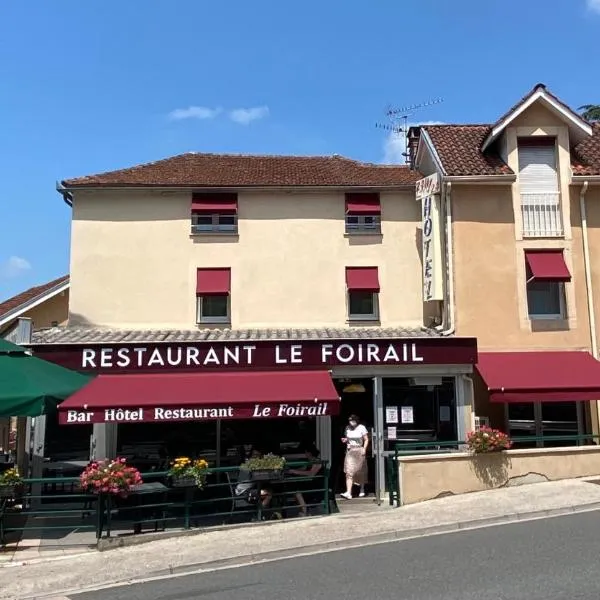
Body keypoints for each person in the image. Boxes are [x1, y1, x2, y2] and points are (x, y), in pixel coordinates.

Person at [287, 444, 323, 516]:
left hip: (316, 485)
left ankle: (304, 511)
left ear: (309, 453)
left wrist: (295, 471)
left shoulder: (317, 461)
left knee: (296, 489)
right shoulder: (310, 461)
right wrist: (291, 470)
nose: (305, 454)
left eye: (306, 452)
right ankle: (303, 508)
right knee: (292, 486)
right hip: (309, 482)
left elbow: (311, 473)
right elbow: (302, 469)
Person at [235, 447, 273, 511]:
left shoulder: (255, 464)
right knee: (268, 494)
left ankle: (263, 513)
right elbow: (259, 476)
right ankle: (260, 515)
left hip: (251, 488)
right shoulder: (250, 464)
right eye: (254, 455)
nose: (256, 457)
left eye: (258, 455)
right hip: (244, 491)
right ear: (251, 455)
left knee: (270, 489)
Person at [340, 414, 369, 499]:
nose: (351, 422)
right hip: (350, 451)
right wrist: (345, 440)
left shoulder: (362, 427)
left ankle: (362, 489)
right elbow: (347, 439)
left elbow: (366, 439)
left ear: (357, 421)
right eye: (350, 421)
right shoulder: (347, 428)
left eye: (353, 420)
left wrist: (364, 448)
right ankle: (349, 492)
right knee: (349, 471)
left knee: (360, 470)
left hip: (359, 450)